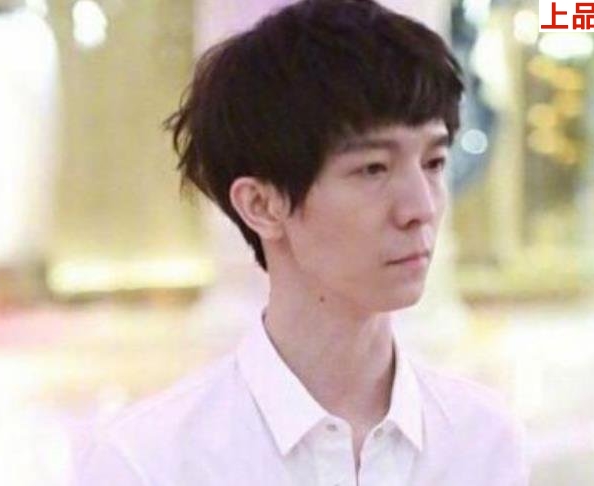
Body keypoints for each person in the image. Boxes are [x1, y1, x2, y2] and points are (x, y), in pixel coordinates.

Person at [74, 0, 529, 484]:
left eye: (434, 163)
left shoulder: (482, 440)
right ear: (261, 205)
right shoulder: (149, 462)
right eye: (373, 169)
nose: (420, 207)